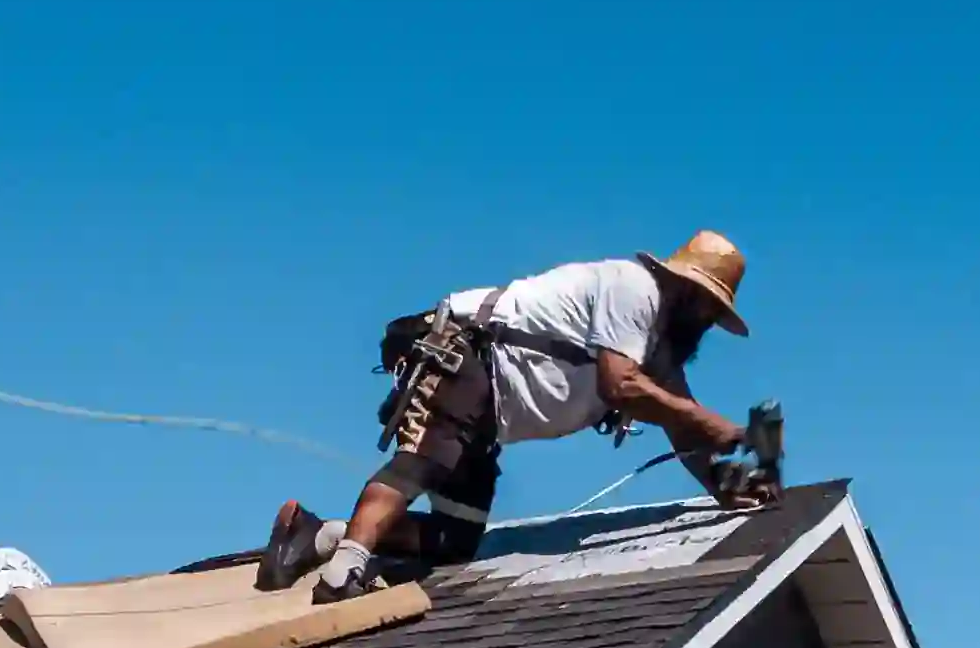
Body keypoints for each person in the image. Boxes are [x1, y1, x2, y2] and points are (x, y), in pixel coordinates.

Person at [260, 232, 770, 604]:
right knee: (425, 461)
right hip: (466, 356)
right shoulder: (634, 290)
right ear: (683, 288)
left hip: (490, 409)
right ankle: (345, 571)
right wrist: (709, 422)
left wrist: (725, 486)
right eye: (705, 307)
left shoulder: (657, 348)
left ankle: (316, 536)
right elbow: (623, 388)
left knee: (454, 543)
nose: (705, 321)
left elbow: (678, 419)